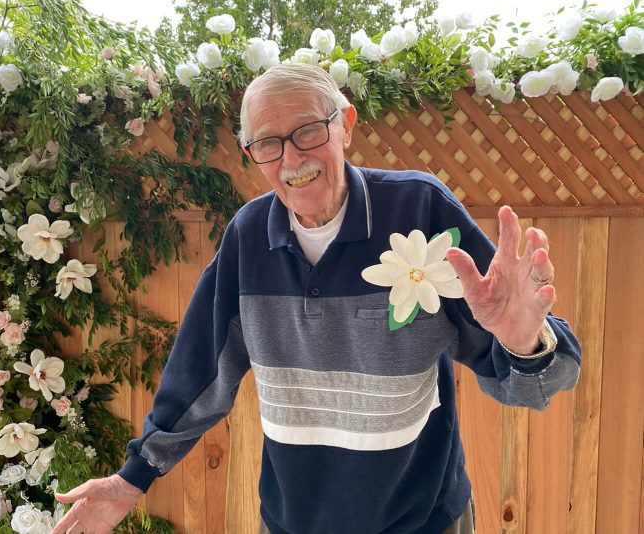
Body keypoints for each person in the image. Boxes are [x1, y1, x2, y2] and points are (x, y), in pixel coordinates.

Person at [50, 63, 581, 534]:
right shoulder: (248, 238)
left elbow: (531, 385)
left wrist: (525, 342)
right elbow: (201, 372)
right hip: (292, 521)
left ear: (345, 125)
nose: (291, 158)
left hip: (422, 520)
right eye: (268, 143)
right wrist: (131, 480)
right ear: (252, 153)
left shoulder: (420, 211)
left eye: (307, 131)